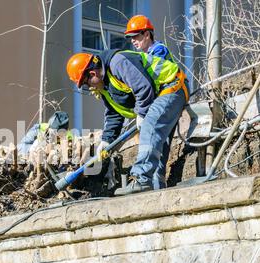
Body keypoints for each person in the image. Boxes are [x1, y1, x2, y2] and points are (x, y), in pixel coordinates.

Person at [66, 50, 188, 196]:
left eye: (86, 84)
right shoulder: (105, 85)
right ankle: (157, 186)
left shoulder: (118, 63)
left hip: (172, 85)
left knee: (150, 129)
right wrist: (107, 140)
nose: (89, 88)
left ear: (92, 74)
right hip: (158, 94)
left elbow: (143, 86)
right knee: (156, 141)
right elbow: (114, 113)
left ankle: (142, 179)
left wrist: (142, 114)